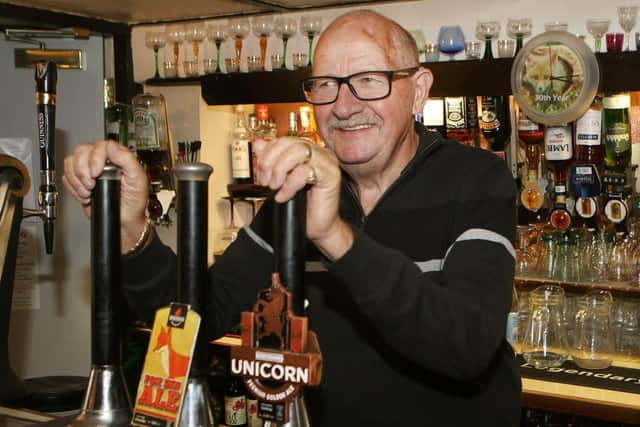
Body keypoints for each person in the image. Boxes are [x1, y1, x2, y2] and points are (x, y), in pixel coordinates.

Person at [63, 9, 520, 426]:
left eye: (367, 79)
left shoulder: (477, 179)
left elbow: (467, 346)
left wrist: (334, 237)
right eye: (325, 84)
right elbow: (196, 324)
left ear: (418, 90)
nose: (343, 106)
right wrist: (131, 231)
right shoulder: (295, 193)